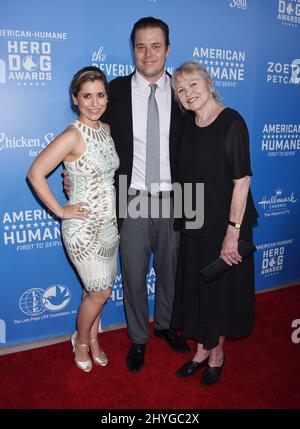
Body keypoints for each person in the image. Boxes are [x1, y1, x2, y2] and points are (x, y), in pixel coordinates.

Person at [100, 17, 190, 372]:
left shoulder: (185, 93)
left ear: (168, 49)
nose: (148, 53)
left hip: (180, 196)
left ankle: (166, 325)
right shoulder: (116, 90)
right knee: (133, 276)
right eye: (141, 46)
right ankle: (139, 338)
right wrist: (75, 175)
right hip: (132, 196)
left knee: (172, 272)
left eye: (156, 45)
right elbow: (92, 133)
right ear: (132, 50)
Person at [170, 61, 258, 386]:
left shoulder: (231, 121)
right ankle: (201, 350)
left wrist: (231, 234)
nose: (188, 93)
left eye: (193, 85)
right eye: (181, 90)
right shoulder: (188, 125)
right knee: (197, 290)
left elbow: (242, 181)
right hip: (196, 223)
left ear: (209, 82)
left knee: (218, 292)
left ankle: (217, 353)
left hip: (226, 223)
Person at [28, 66, 120, 373]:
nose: (95, 102)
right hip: (83, 228)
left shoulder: (105, 130)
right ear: (75, 99)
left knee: (94, 290)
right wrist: (61, 210)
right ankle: (80, 341)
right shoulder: (72, 135)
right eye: (87, 96)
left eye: (100, 95)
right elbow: (36, 173)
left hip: (108, 224)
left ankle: (93, 338)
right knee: (101, 292)